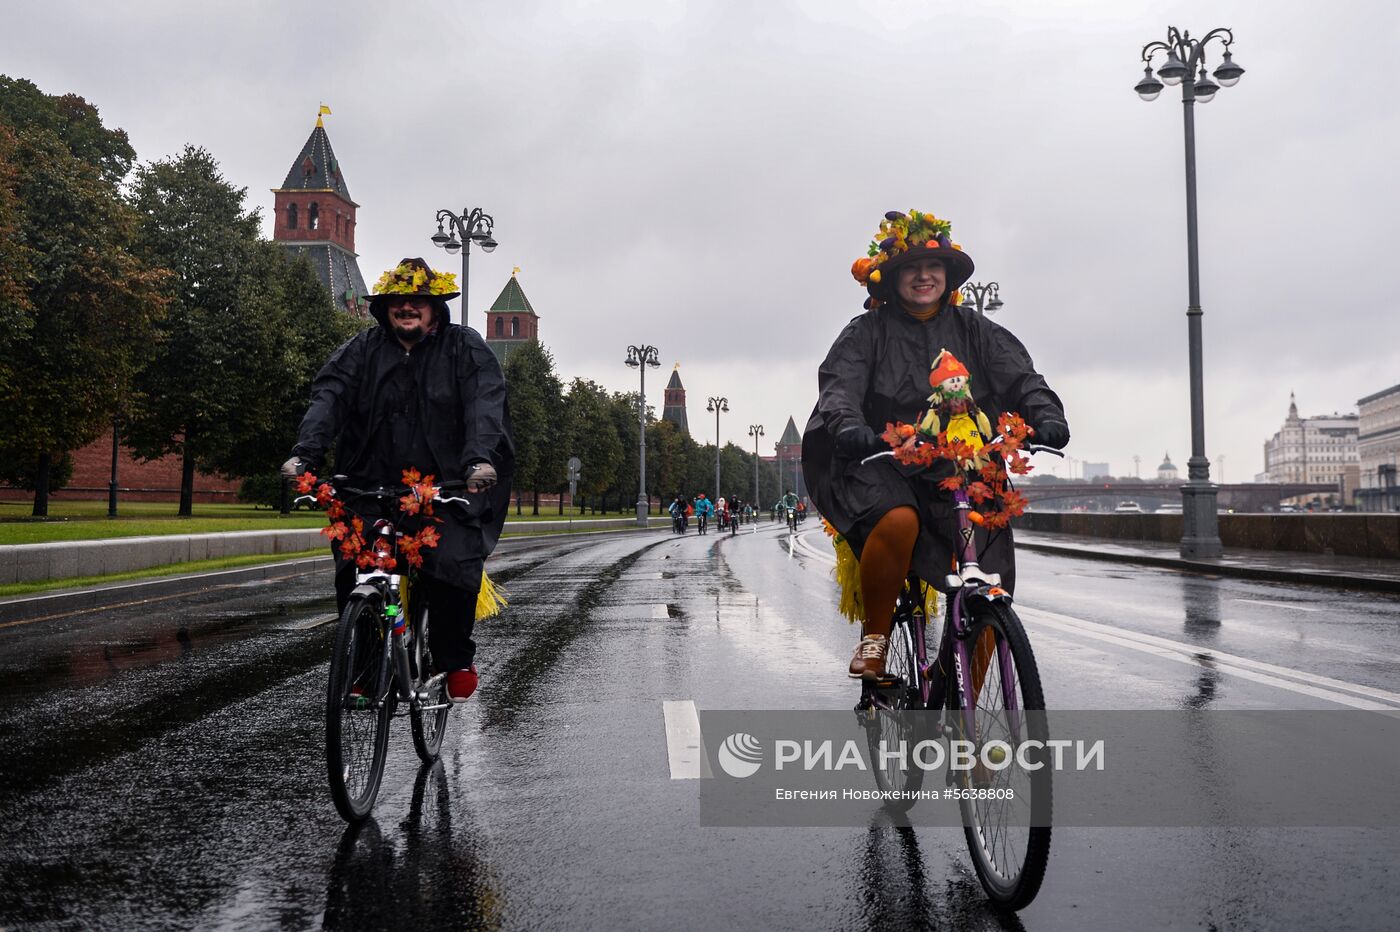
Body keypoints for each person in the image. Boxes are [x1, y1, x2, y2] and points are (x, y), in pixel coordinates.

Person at [802, 210, 1068, 681]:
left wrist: (1045, 413)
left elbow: (1022, 377)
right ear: (893, 278)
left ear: (947, 277)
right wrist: (848, 426)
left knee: (993, 576)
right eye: (912, 268)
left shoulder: (975, 330)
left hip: (962, 464)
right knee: (898, 518)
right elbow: (839, 386)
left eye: (934, 268)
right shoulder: (866, 332)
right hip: (884, 460)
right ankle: (876, 640)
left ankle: (963, 691)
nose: (925, 276)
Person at [282, 257, 514, 703]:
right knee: (355, 569)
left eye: (417, 302)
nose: (407, 308)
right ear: (384, 308)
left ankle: (453, 661)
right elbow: (328, 397)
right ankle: (368, 671)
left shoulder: (463, 348)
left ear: (434, 308)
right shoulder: (362, 350)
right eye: (398, 302)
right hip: (367, 483)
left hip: (447, 485)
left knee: (450, 565)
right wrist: (304, 455)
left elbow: (484, 403)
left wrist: (479, 461)